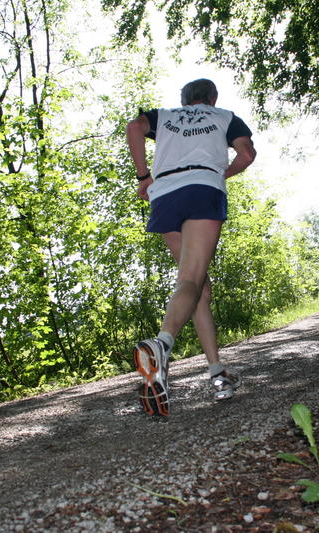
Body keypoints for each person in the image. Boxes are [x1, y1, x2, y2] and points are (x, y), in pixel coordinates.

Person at [126, 79, 257, 416]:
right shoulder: (225, 116)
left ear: (183, 101)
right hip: (202, 190)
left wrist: (143, 177)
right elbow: (246, 154)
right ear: (212, 99)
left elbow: (134, 127)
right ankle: (161, 345)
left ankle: (218, 374)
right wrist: (220, 174)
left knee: (199, 286)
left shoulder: (165, 115)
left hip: (165, 194)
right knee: (190, 281)